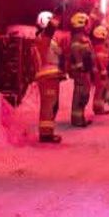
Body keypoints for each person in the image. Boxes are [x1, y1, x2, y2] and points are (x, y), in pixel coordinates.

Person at [32, 10, 65, 143]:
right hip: (47, 76)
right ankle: (45, 134)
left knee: (53, 105)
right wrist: (57, 16)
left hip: (51, 75)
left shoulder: (48, 39)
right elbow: (51, 29)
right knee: (49, 105)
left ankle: (48, 132)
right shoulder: (42, 38)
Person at [68, 12, 95, 126]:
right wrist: (80, 67)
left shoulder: (83, 38)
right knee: (80, 93)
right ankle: (77, 119)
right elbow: (75, 53)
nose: (88, 26)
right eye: (87, 23)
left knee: (84, 93)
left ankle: (80, 117)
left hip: (85, 70)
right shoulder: (76, 38)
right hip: (80, 71)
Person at [91, 23, 109, 116]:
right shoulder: (99, 47)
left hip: (99, 71)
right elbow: (100, 58)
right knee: (100, 90)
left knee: (100, 90)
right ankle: (98, 109)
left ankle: (99, 108)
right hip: (100, 72)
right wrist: (103, 70)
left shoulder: (97, 46)